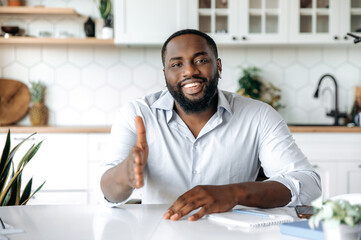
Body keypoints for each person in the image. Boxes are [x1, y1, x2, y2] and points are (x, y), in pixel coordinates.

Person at [100, 29, 321, 221]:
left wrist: (234, 193)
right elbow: (108, 193)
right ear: (165, 74)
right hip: (161, 230)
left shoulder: (259, 115)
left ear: (218, 66)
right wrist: (125, 174)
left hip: (234, 234)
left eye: (200, 60)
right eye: (177, 64)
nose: (189, 71)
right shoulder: (137, 114)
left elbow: (308, 184)